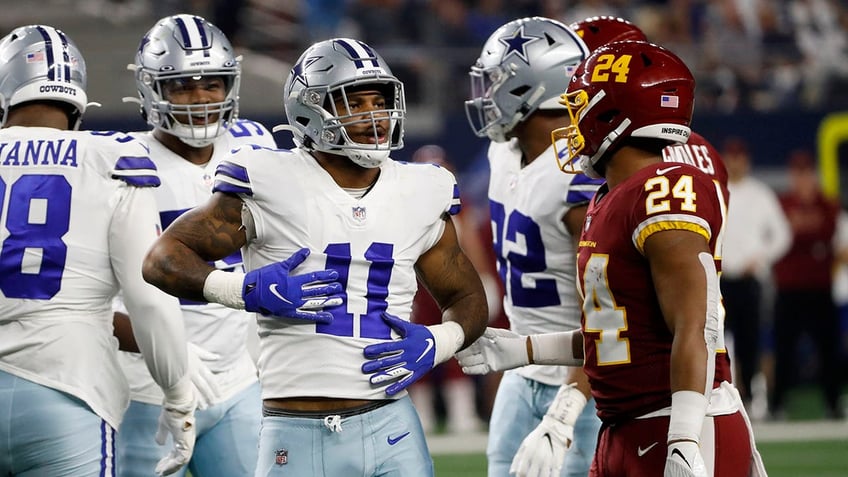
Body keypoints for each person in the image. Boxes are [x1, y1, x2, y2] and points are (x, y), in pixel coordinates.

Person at [141, 37, 489, 476]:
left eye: (378, 102)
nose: (373, 116)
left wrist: (442, 340)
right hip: (295, 428)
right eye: (353, 103)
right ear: (311, 109)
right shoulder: (269, 179)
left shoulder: (422, 190)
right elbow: (162, 259)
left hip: (393, 425)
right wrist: (242, 290)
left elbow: (469, 299)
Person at [460, 40, 769, 476]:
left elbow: (696, 327)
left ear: (613, 116)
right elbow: (616, 339)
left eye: (580, 106)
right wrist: (523, 349)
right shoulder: (609, 197)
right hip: (622, 427)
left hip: (678, 424)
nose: (572, 120)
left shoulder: (665, 189)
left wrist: (683, 440)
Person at [0, 24, 196, 476]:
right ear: (77, 100)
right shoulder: (112, 159)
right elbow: (149, 297)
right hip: (68, 387)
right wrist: (178, 393)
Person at [112, 14, 279, 477]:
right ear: (152, 90)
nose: (201, 98)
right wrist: (162, 350)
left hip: (239, 379)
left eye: (213, 84)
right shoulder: (118, 160)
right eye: (183, 86)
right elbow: (89, 298)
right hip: (145, 385)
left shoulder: (255, 147)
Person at [464, 16, 603, 477]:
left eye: (496, 82)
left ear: (532, 87)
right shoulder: (502, 151)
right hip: (519, 371)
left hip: (579, 380)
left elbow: (607, 314)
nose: (486, 96)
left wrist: (569, 405)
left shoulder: (578, 178)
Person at [770, 150, 845, 420]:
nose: (802, 179)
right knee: (784, 349)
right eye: (797, 173)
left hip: (819, 288)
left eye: (806, 173)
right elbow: (783, 239)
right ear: (792, 176)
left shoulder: (827, 204)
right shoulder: (782, 203)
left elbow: (830, 237)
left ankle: (833, 404)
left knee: (828, 348)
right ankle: (777, 404)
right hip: (789, 288)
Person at [719, 136, 790, 415]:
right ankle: (720, 395)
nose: (735, 162)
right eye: (731, 156)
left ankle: (748, 397)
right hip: (720, 278)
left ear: (746, 160)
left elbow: (782, 234)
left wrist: (760, 258)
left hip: (748, 279)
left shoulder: (760, 194)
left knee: (749, 341)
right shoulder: (716, 190)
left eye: (739, 156)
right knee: (717, 341)